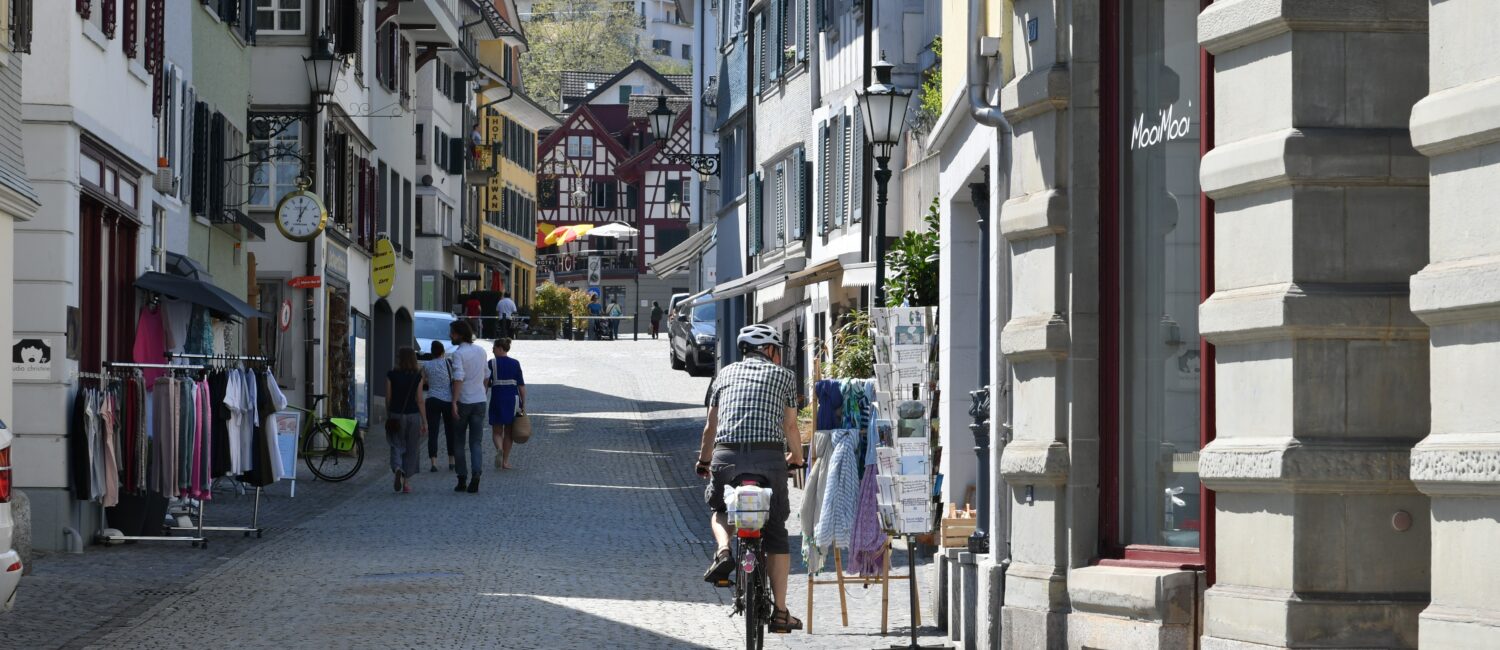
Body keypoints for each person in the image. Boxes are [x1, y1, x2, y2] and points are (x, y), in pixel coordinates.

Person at [696, 324, 805, 633]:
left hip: (726, 457)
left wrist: (704, 461)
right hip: (769, 459)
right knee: (775, 532)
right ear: (770, 351)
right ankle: (781, 613)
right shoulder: (783, 376)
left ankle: (724, 550)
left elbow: (710, 428)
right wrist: (796, 459)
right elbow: (791, 427)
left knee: (720, 508)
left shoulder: (724, 375)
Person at [448, 320, 489, 493]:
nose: (450, 335)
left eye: (452, 333)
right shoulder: (481, 351)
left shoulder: (458, 354)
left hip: (463, 401)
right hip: (479, 400)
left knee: (459, 441)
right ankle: (477, 474)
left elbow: (458, 378)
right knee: (476, 442)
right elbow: (487, 375)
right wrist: (483, 392)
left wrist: (454, 402)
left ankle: (462, 478)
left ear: (459, 334)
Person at [385, 347, 428, 494]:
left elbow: (388, 397)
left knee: (396, 443)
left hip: (396, 414)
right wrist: (425, 421)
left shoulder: (391, 375)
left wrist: (389, 414)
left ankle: (397, 468)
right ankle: (407, 482)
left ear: (399, 359)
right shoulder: (417, 376)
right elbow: (420, 400)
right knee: (412, 448)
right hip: (413, 415)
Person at [487, 338, 527, 470]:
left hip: (498, 398)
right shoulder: (515, 363)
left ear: (499, 348)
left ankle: (499, 448)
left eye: (494, 347)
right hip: (513, 400)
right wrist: (523, 404)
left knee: (497, 431)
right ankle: (505, 461)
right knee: (509, 432)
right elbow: (521, 386)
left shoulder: (491, 364)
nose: (492, 350)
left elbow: (486, 384)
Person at [421, 341, 457, 472]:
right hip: (447, 400)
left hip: (432, 399)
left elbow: (423, 380)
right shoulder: (448, 363)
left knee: (433, 432)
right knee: (450, 431)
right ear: (442, 352)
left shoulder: (426, 365)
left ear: (432, 352)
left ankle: (434, 463)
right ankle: (451, 461)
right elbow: (454, 379)